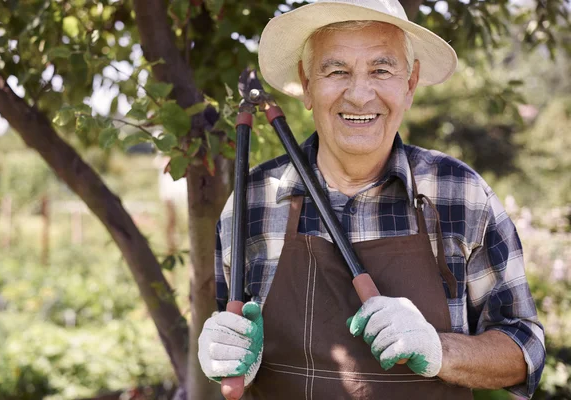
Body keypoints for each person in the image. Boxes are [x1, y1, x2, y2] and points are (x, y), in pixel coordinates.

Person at [198, 0, 546, 398]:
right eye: (336, 71)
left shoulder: (460, 194)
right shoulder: (252, 201)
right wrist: (234, 355)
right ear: (307, 84)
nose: (360, 95)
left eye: (381, 70)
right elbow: (231, 335)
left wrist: (439, 349)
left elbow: (526, 348)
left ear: (410, 84)